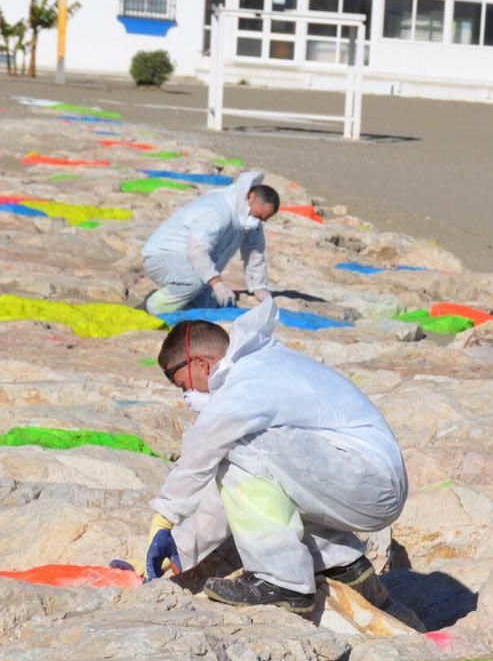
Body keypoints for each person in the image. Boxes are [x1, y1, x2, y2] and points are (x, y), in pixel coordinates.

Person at [143, 299, 408, 614]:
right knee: (258, 463)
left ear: (201, 363)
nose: (187, 398)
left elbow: (202, 455)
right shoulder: (264, 363)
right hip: (363, 478)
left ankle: (282, 581)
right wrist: (182, 548)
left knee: (238, 446)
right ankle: (342, 563)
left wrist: (164, 518)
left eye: (184, 386)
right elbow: (240, 491)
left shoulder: (246, 383)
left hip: (366, 478)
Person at [141, 170, 278, 316]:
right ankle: (151, 309)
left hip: (193, 263)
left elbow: (254, 251)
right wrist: (216, 282)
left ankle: (178, 310)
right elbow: (197, 250)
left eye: (263, 219)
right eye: (257, 215)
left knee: (211, 302)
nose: (258, 221)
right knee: (194, 282)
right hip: (163, 256)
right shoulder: (217, 210)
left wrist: (258, 286)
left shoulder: (249, 219)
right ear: (250, 197)